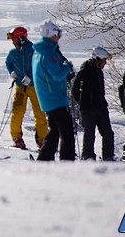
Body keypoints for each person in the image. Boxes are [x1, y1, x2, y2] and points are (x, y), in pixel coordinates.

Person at [32, 19, 75, 161]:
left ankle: (44, 158)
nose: (59, 38)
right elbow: (57, 75)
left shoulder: (38, 52)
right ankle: (66, 160)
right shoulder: (49, 53)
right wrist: (68, 66)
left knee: (55, 130)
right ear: (51, 34)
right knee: (66, 131)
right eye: (58, 34)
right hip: (55, 98)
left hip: (48, 98)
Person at [5, 26, 48, 150]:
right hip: (20, 86)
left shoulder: (34, 50)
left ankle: (42, 141)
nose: (13, 42)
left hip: (35, 87)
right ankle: (17, 139)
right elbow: (8, 64)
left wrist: (31, 77)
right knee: (17, 113)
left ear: (22, 38)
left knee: (39, 114)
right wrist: (11, 72)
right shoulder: (13, 53)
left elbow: (40, 66)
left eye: (15, 39)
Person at [71, 47, 115, 161]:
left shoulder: (99, 72)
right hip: (88, 109)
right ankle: (88, 156)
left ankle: (108, 156)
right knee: (89, 135)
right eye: (104, 60)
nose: (105, 62)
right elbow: (75, 90)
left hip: (101, 107)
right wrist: (82, 103)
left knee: (108, 133)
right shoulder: (84, 72)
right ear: (98, 59)